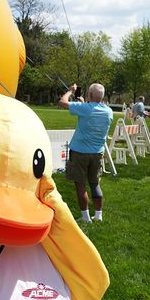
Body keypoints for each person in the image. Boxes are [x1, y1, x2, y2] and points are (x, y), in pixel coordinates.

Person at [58, 83, 113, 222]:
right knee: (94, 183)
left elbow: (62, 102)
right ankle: (99, 215)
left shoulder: (85, 109)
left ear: (90, 95)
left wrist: (70, 91)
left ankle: (86, 217)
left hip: (79, 152)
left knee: (80, 185)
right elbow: (92, 111)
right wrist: (84, 103)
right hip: (97, 153)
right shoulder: (109, 111)